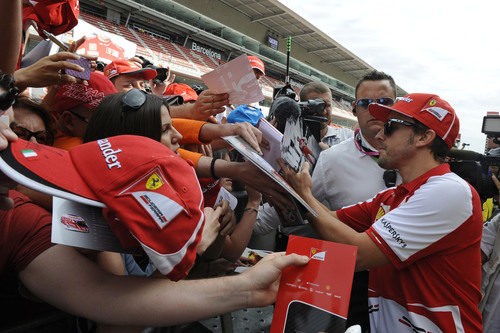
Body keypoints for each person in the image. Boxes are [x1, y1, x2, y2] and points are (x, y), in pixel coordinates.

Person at [281, 93, 483, 332]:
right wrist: (289, 186)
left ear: (424, 137)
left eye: (389, 127)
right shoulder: (395, 195)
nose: (378, 135)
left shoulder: (449, 191)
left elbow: (358, 254)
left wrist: (303, 195)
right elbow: (330, 220)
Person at [299, 81, 353, 148]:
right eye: (318, 105)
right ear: (303, 106)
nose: (324, 112)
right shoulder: (293, 136)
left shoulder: (347, 137)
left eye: (327, 105)